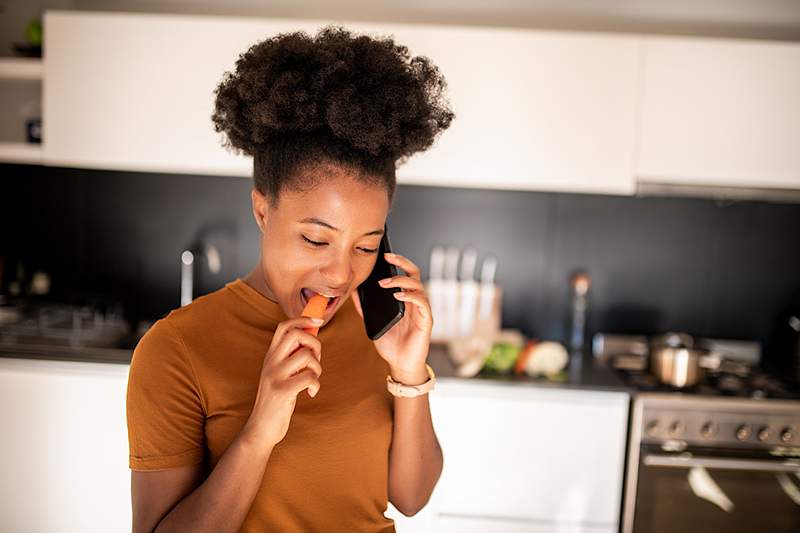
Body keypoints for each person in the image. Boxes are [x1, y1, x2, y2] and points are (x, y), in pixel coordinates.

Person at [126, 24, 454, 533]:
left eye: (367, 245)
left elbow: (410, 498)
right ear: (263, 210)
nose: (342, 272)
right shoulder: (177, 348)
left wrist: (410, 375)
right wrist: (261, 428)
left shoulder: (382, 331)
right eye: (317, 240)